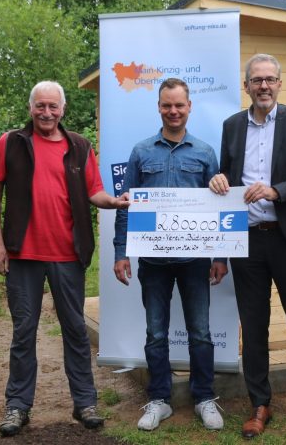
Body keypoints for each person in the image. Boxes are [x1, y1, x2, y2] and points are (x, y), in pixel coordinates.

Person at [0, 81, 129, 437]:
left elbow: (94, 191)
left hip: (68, 255)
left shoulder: (79, 146)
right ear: (31, 107)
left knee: (76, 331)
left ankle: (85, 402)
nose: (47, 113)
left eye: (53, 107)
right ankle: (18, 406)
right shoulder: (11, 143)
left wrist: (114, 202)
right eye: (40, 106)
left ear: (63, 109)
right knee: (23, 333)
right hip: (23, 255)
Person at [208, 53, 286, 438]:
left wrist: (277, 191)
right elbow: (224, 174)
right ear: (246, 86)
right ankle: (260, 402)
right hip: (247, 243)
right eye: (256, 80)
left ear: (279, 83)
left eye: (270, 79)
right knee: (254, 326)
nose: (263, 86)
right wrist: (218, 181)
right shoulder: (231, 126)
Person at [113, 78, 228, 431]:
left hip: (195, 262)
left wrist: (220, 255)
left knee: (201, 333)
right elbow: (125, 206)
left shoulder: (206, 153)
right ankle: (159, 400)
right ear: (159, 107)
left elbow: (219, 207)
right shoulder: (141, 151)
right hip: (153, 263)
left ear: (189, 107)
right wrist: (121, 252)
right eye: (167, 105)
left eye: (179, 105)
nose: (173, 111)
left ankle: (204, 397)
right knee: (156, 333)